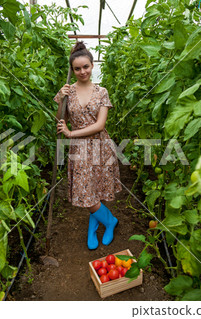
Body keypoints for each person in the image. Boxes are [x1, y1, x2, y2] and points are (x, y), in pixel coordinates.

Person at [54, 41, 122, 250]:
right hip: (79, 150)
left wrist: (71, 133)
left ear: (92, 66)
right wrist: (60, 101)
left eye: (86, 67)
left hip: (100, 145)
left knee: (96, 188)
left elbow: (100, 125)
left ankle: (96, 222)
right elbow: (59, 120)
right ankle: (109, 220)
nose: (82, 71)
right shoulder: (68, 92)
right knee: (86, 192)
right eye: (77, 68)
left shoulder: (102, 92)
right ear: (72, 70)